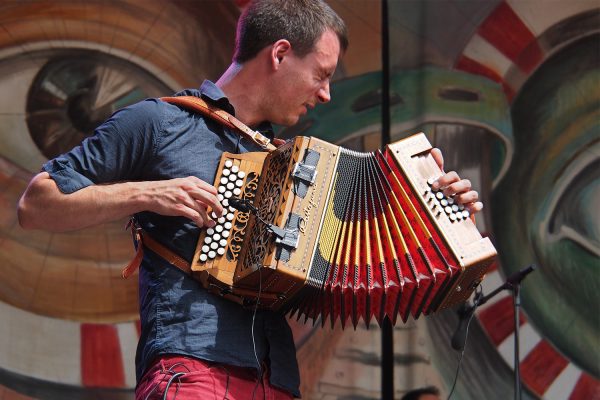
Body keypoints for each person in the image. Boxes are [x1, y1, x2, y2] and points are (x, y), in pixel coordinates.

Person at [17, 0, 482, 399]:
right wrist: (150, 192)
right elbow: (38, 204)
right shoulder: (158, 122)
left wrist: (434, 204)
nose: (325, 93)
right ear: (280, 53)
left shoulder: (296, 170)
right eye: (321, 75)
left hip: (276, 378)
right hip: (191, 366)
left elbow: (369, 245)